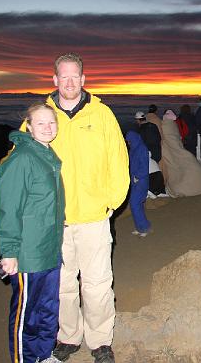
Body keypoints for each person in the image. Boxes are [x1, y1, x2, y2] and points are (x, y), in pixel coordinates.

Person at [42, 53, 129, 363]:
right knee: (63, 286)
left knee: (97, 285)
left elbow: (119, 160)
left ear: (83, 79)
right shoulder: (41, 117)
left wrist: (110, 202)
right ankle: (68, 336)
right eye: (62, 76)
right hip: (56, 221)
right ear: (54, 79)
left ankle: (100, 340)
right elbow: (22, 162)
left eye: (74, 76)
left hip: (94, 218)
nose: (68, 82)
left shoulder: (102, 115)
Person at [0, 103, 65, 363]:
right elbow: (8, 208)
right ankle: (24, 359)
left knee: (47, 308)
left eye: (51, 122)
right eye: (41, 123)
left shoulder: (46, 155)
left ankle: (44, 354)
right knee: (26, 313)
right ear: (29, 126)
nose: (47, 128)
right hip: (28, 253)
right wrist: (9, 251)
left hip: (49, 249)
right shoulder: (23, 158)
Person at [160, 110, 201, 197]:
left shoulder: (164, 126)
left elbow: (168, 139)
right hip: (181, 145)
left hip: (174, 149)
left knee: (176, 164)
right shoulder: (174, 125)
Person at [124, 129, 151, 237]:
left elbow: (144, 167)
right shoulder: (133, 149)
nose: (128, 143)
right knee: (135, 204)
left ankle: (144, 227)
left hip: (141, 180)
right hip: (134, 180)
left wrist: (138, 176)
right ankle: (140, 227)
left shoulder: (142, 149)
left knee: (135, 204)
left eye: (129, 141)